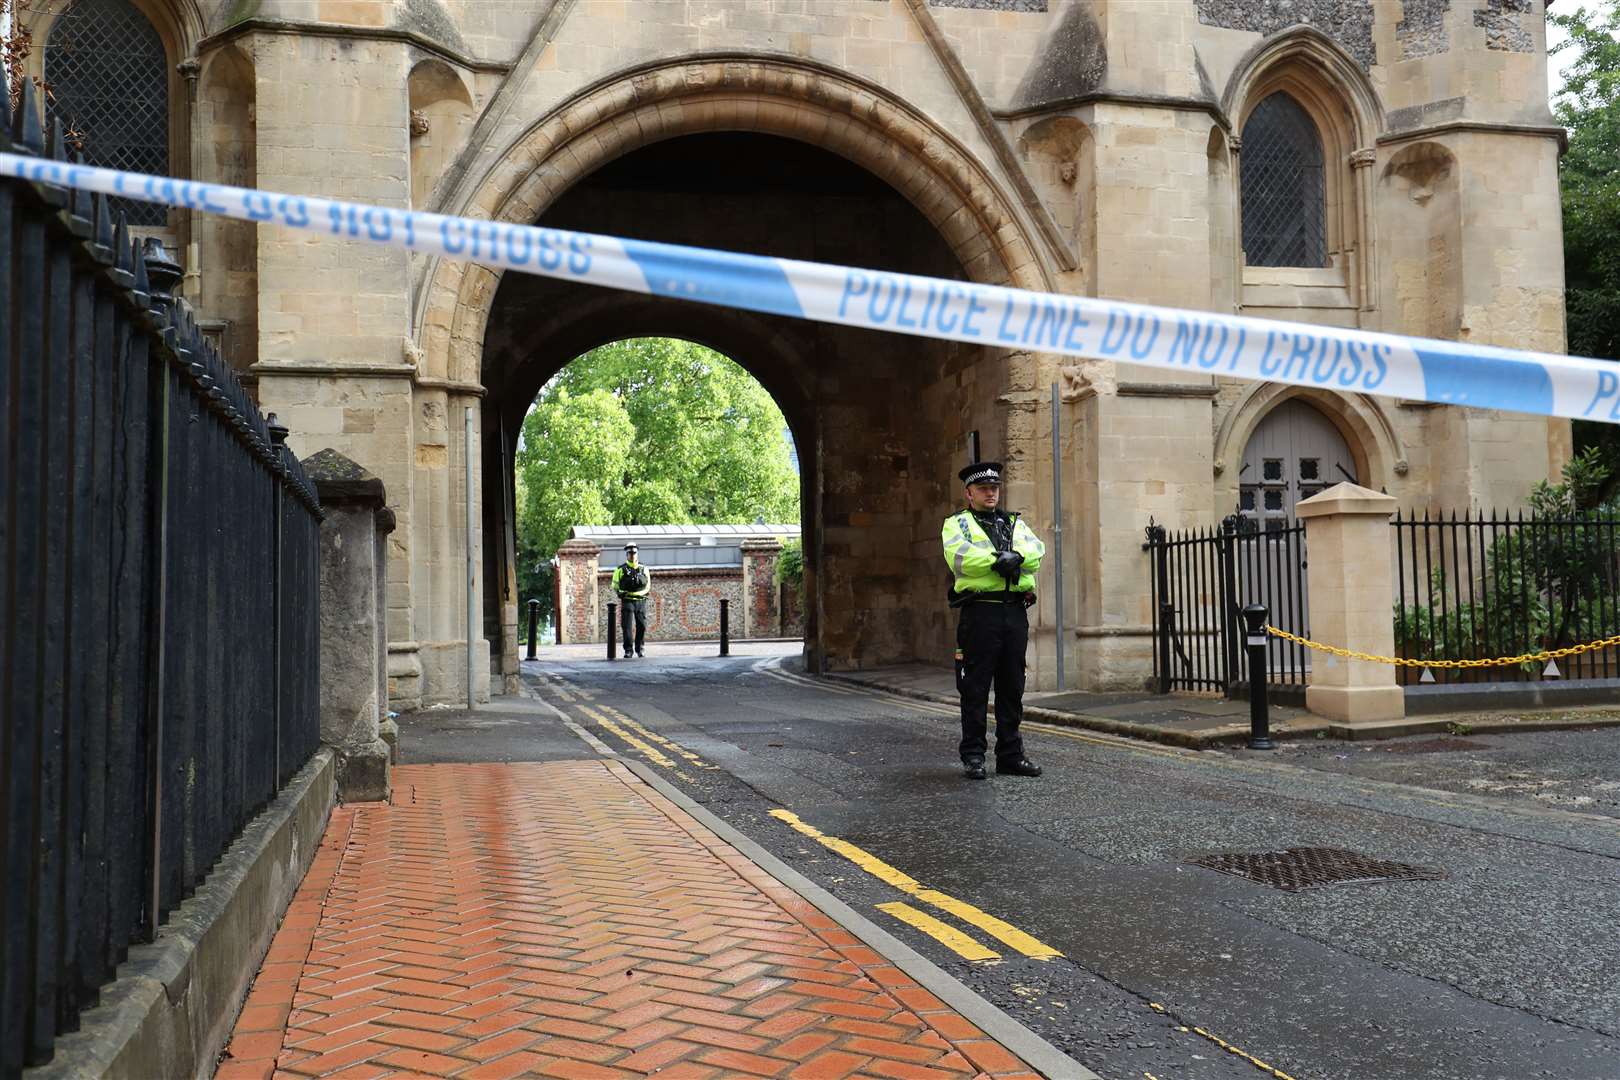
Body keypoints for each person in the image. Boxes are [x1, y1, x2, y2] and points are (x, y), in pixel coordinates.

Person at [941, 462, 1044, 780]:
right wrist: (1001, 561)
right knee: (975, 687)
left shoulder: (1015, 523)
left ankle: (1010, 755)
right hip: (980, 613)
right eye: (984, 488)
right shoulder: (956, 523)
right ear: (969, 493)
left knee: (1012, 686)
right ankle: (973, 755)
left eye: (995, 488)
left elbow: (1036, 551)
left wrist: (1020, 558)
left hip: (1014, 612)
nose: (991, 493)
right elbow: (961, 558)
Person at [611, 543, 651, 658]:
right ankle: (628, 650)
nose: (632, 555)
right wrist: (621, 593)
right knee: (627, 626)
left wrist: (639, 593)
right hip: (627, 601)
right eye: (630, 553)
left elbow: (648, 586)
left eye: (634, 553)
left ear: (637, 554)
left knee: (642, 625)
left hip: (641, 601)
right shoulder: (620, 569)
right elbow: (614, 585)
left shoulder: (644, 568)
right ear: (626, 554)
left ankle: (640, 648)